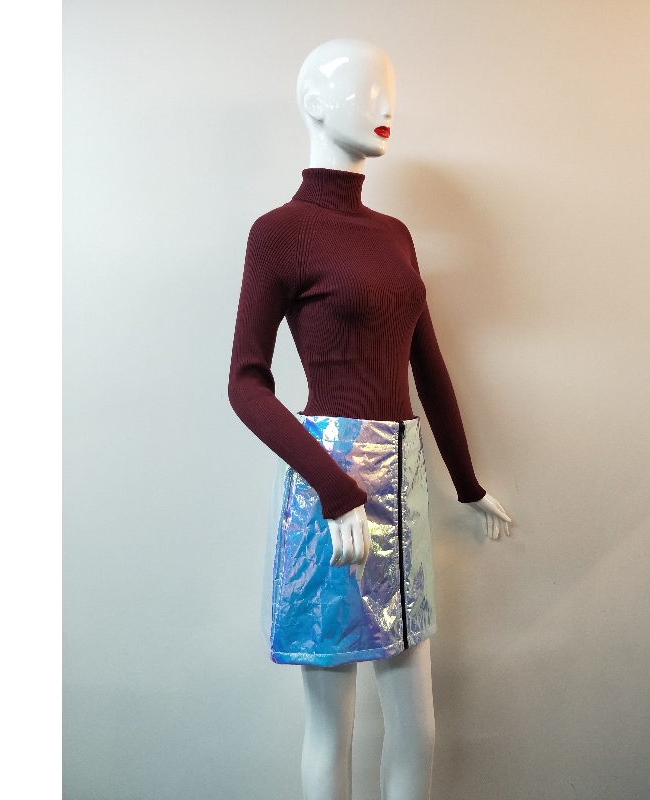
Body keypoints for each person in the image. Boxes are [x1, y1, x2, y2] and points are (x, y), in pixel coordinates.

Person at [228, 37, 511, 800]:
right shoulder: (279, 232)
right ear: (315, 103)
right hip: (333, 482)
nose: (387, 106)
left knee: (418, 727)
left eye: (391, 90)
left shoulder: (394, 235)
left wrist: (468, 485)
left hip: (403, 482)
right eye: (366, 88)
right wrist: (335, 490)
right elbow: (246, 384)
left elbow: (429, 367)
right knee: (335, 727)